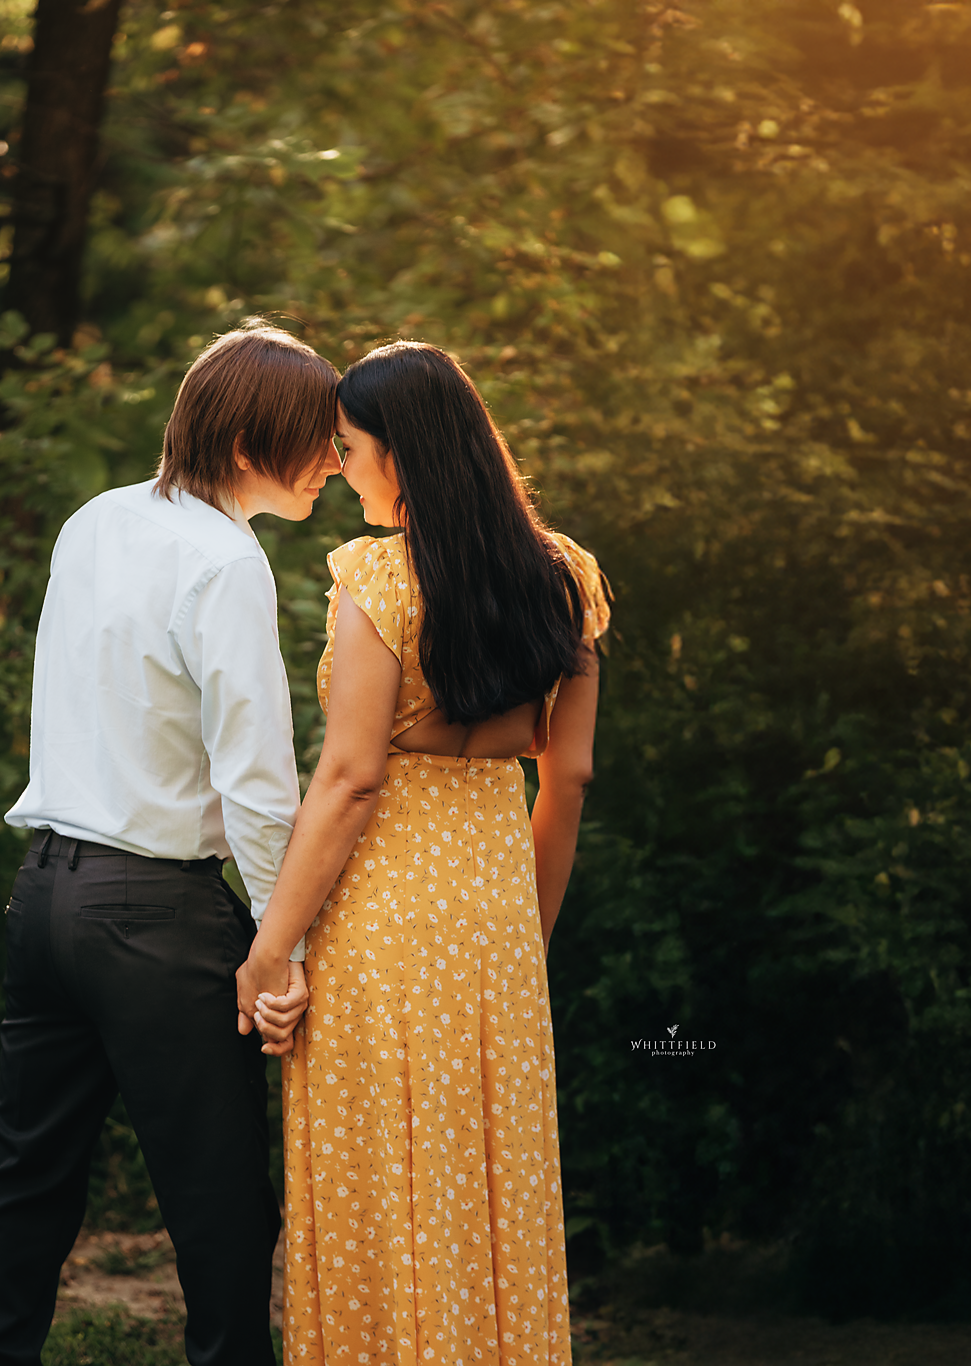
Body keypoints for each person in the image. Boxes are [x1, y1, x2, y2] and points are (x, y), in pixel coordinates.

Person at [0, 320, 338, 1366]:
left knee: (22, 1180)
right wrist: (282, 943)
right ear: (257, 436)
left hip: (45, 896)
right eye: (320, 439)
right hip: (154, 916)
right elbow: (256, 784)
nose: (336, 465)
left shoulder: (94, 521)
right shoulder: (226, 561)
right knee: (220, 1203)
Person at [247, 341, 612, 1366]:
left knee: (384, 1178)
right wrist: (522, 932)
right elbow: (568, 777)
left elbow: (350, 776)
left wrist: (270, 944)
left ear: (400, 455)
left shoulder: (374, 578)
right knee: (485, 1186)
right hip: (495, 920)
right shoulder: (565, 577)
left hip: (382, 921)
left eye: (348, 447)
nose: (342, 468)